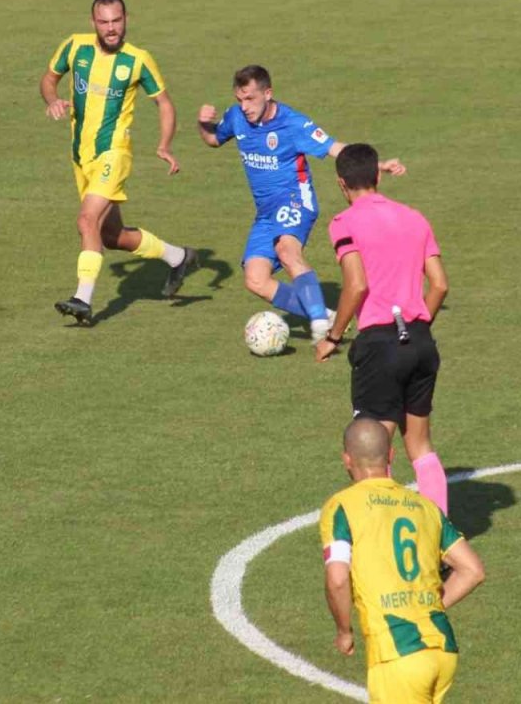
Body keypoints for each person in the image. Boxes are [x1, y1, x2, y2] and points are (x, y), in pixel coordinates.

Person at [197, 66, 404, 344]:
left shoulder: (293, 124)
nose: (244, 107)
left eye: (250, 99)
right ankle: (327, 315)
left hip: (296, 201)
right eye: (239, 99)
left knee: (286, 249)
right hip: (265, 214)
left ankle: (320, 322)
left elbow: (334, 148)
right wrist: (203, 123)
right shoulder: (236, 118)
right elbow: (213, 139)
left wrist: (378, 165)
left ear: (268, 94)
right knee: (255, 279)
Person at [41, 0, 197, 325]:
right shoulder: (74, 47)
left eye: (117, 21)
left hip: (115, 153)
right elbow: (49, 79)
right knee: (111, 237)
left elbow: (165, 103)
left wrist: (165, 145)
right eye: (104, 22)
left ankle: (82, 298)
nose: (111, 29)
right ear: (93, 23)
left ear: (126, 20)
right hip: (81, 157)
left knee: (87, 221)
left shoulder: (138, 60)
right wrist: (52, 99)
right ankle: (179, 257)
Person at [316, 144, 450, 512]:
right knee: (420, 446)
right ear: (377, 176)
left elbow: (356, 284)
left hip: (380, 345)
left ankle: (383, 535)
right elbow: (439, 284)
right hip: (421, 341)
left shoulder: (344, 223)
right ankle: (438, 534)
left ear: (342, 185)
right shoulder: (414, 217)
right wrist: (414, 327)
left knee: (374, 449)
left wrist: (333, 336)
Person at [321, 418, 485, 704]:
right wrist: (426, 608)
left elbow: (337, 579)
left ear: (347, 459)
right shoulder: (425, 506)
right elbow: (472, 570)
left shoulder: (342, 506)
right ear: (391, 456)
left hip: (398, 653)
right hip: (442, 649)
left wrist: (343, 631)